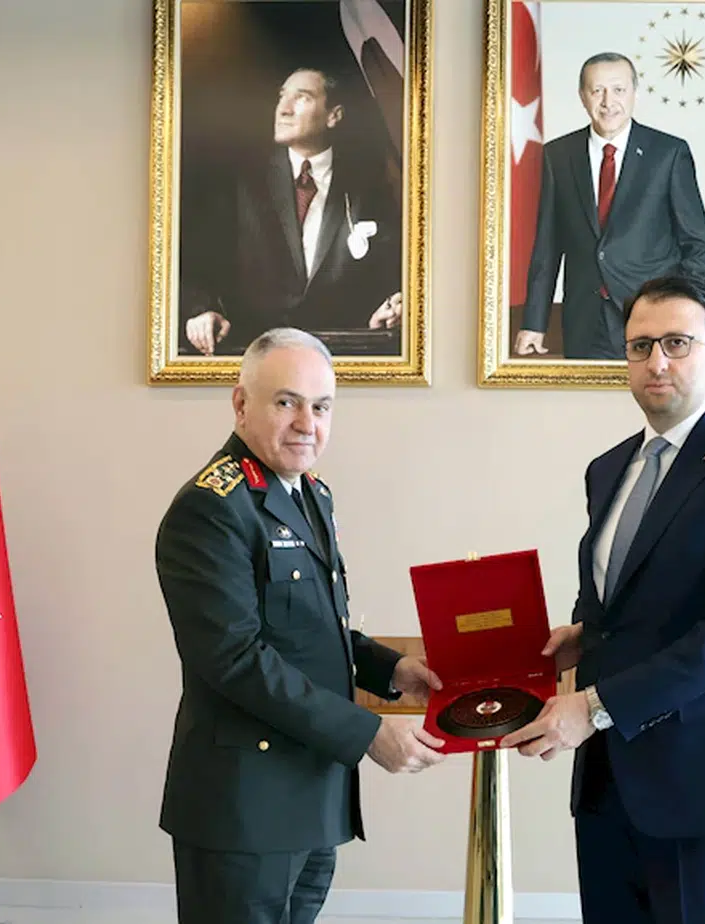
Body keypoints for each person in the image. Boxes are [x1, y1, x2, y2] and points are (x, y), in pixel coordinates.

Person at [502, 276, 705, 923]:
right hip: (609, 778)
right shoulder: (608, 468)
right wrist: (582, 634)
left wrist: (593, 707)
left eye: (677, 343)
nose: (657, 362)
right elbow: (619, 598)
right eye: (640, 346)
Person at [154, 327, 445, 924]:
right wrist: (367, 733)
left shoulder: (310, 493)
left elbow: (314, 628)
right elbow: (237, 659)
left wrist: (392, 670)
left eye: (321, 406)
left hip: (312, 793)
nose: (306, 424)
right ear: (241, 403)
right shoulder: (212, 508)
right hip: (245, 805)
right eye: (286, 402)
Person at [180, 68, 402, 357]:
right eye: (282, 97)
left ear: (333, 116)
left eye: (302, 98)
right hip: (254, 352)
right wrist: (201, 311)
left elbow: (387, 273)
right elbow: (199, 263)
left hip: (341, 355)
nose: (283, 109)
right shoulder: (242, 180)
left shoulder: (369, 185)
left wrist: (387, 309)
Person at [515, 53, 705, 361]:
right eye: (597, 91)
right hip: (584, 321)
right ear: (583, 96)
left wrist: (679, 311)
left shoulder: (669, 154)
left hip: (654, 321)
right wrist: (534, 322)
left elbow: (697, 244)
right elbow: (547, 247)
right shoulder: (558, 155)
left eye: (618, 90)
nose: (608, 102)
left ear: (635, 93)